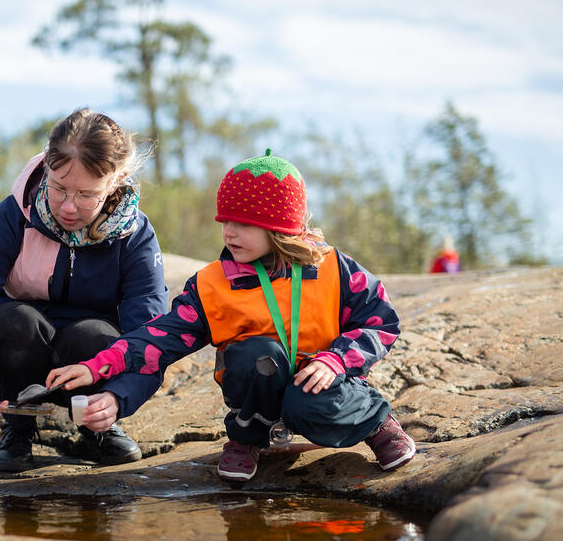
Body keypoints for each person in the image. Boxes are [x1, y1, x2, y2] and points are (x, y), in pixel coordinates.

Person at [47, 150, 416, 482]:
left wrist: (336, 360)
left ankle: (377, 424)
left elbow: (380, 322)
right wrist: (99, 366)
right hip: (261, 380)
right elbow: (161, 336)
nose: (228, 233)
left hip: (323, 384)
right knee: (253, 357)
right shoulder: (212, 285)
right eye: (224, 221)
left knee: (310, 399)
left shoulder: (335, 268)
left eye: (242, 224)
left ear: (278, 227)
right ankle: (248, 436)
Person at [0, 108, 168, 473]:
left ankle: (97, 427)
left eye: (85, 195)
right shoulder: (11, 217)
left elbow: (152, 335)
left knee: (94, 335)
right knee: (13, 321)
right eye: (60, 187)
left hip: (93, 361)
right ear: (46, 164)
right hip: (21, 353)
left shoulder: (136, 235)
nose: (67, 207)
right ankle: (18, 424)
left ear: (117, 180)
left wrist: (117, 397)